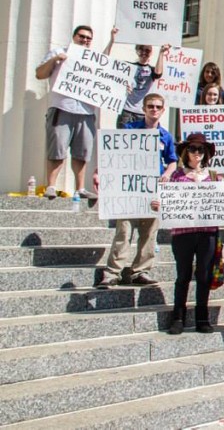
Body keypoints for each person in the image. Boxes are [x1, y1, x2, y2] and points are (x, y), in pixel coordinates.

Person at [95, 93, 177, 288]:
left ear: (163, 110)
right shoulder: (130, 129)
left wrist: (167, 173)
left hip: (153, 188)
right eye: (150, 106)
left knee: (150, 231)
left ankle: (140, 271)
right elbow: (112, 154)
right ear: (144, 109)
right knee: (124, 230)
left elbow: (173, 160)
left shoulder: (166, 135)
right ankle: (113, 272)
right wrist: (99, 172)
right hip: (128, 188)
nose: (154, 110)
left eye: (158, 107)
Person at [153, 133, 224, 334]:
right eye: (194, 149)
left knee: (204, 275)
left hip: (207, 233)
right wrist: (159, 205)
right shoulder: (175, 176)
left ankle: (202, 317)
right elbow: (166, 203)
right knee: (183, 274)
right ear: (186, 152)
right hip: (183, 232)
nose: (197, 153)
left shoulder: (215, 177)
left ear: (206, 154)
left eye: (201, 149)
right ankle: (178, 316)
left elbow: (222, 204)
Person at [35, 25, 100, 200]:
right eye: (82, 36)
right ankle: (51, 186)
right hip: (62, 109)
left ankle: (79, 188)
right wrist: (55, 59)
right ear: (74, 36)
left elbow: (107, 82)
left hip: (86, 113)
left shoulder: (95, 60)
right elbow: (39, 74)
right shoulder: (58, 53)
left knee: (82, 152)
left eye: (88, 38)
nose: (85, 40)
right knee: (57, 149)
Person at [106, 29, 169, 128]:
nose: (144, 52)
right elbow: (105, 61)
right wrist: (112, 40)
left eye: (147, 50)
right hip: (126, 111)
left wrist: (161, 53)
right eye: (141, 49)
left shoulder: (152, 70)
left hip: (142, 113)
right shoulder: (127, 66)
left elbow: (158, 73)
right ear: (136, 51)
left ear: (151, 52)